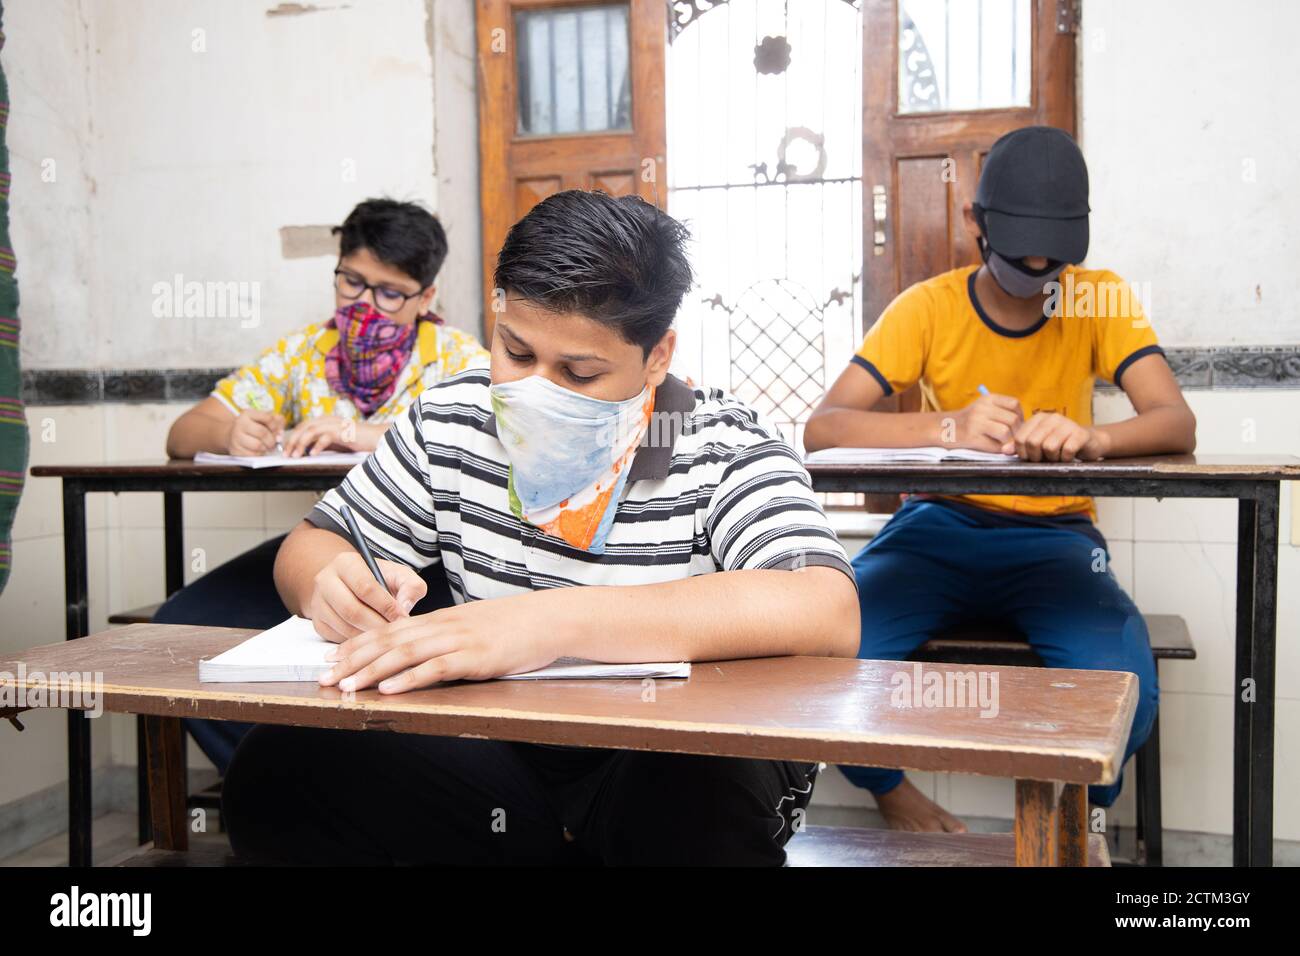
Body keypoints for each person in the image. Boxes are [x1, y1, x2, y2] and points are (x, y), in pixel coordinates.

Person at [220, 189, 860, 865]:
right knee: (282, 768)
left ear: (657, 356)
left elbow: (825, 607)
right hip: (508, 751)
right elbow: (311, 545)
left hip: (664, 750)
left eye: (579, 372)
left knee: (693, 781)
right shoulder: (454, 418)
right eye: (517, 352)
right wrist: (329, 582)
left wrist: (543, 626)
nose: (535, 391)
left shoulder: (720, 443)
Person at [804, 126, 1196, 830]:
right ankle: (895, 797)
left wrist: (1094, 439)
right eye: (1020, 253)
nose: (1039, 266)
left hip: (1058, 539)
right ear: (973, 224)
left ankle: (1062, 827)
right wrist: (946, 425)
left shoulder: (1095, 299)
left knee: (1126, 691)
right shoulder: (928, 307)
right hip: (936, 530)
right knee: (827, 656)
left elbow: (1176, 421)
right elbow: (824, 427)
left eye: (1054, 256)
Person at [157, 198, 489, 773]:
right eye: (352, 282)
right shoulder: (305, 352)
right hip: (321, 552)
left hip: (423, 561)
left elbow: (496, 429)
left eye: (390, 292)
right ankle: (287, 783)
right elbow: (183, 433)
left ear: (426, 298)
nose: (365, 305)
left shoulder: (456, 358)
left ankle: (381, 794)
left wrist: (364, 432)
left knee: (398, 657)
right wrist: (233, 428)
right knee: (180, 635)